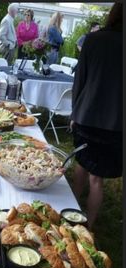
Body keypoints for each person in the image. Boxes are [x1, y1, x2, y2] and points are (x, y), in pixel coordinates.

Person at [71, 2, 122, 230]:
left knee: (81, 163)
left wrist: (74, 110)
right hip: (117, 121)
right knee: (96, 178)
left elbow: (79, 80)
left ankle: (69, 212)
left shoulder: (93, 40)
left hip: (87, 114)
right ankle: (88, 227)